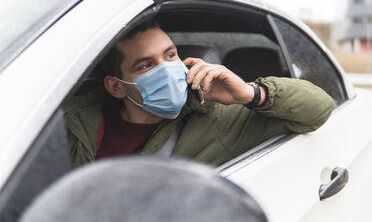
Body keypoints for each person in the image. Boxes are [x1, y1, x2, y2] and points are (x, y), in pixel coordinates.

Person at [63, 20, 334, 168]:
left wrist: (250, 93)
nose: (167, 70)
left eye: (171, 55)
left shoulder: (217, 118)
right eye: (146, 65)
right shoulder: (73, 123)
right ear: (116, 86)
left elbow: (319, 108)